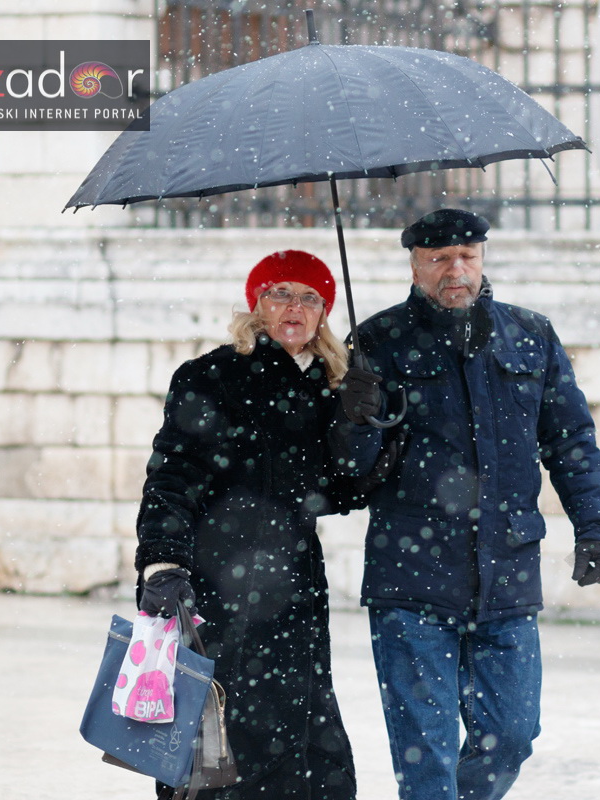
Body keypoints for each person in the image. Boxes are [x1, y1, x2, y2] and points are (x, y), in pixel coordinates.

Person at [331, 208, 600, 800]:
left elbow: (570, 441)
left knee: (512, 734)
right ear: (415, 267)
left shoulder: (530, 336)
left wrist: (597, 528)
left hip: (507, 568)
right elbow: (347, 478)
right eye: (439, 260)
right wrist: (353, 417)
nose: (454, 270)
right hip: (410, 577)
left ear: (484, 258)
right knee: (425, 755)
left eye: (467, 256)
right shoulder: (377, 342)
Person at [134, 250, 360, 799]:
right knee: (214, 735)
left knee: (302, 741)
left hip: (295, 589)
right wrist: (162, 562)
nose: (295, 307)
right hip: (214, 583)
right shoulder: (210, 377)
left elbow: (343, 492)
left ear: (324, 313)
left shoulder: (330, 388)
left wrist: (365, 425)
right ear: (256, 304)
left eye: (310, 298)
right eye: (280, 292)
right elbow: (172, 474)